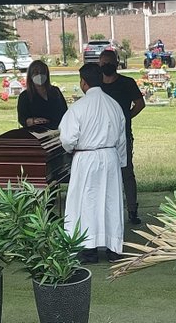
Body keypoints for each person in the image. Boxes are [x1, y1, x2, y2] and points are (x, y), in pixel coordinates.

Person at [59, 63, 127, 264]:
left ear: (83, 82)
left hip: (86, 157)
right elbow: (122, 138)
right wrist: (120, 161)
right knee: (111, 201)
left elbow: (68, 139)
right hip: (110, 157)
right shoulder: (114, 105)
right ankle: (114, 247)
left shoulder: (78, 107)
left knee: (87, 201)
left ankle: (89, 249)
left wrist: (71, 150)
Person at [99, 49, 146, 224]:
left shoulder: (127, 83)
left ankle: (132, 209)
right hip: (101, 138)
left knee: (126, 173)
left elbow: (140, 104)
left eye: (110, 63)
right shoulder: (97, 85)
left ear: (117, 64)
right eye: (103, 63)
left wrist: (125, 117)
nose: (106, 66)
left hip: (122, 136)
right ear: (99, 64)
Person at [17, 60, 68, 129]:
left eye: (42, 73)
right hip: (37, 133)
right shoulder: (25, 96)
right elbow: (22, 119)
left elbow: (65, 111)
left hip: (58, 130)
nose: (40, 75)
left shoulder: (55, 91)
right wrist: (34, 121)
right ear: (30, 76)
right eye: (36, 73)